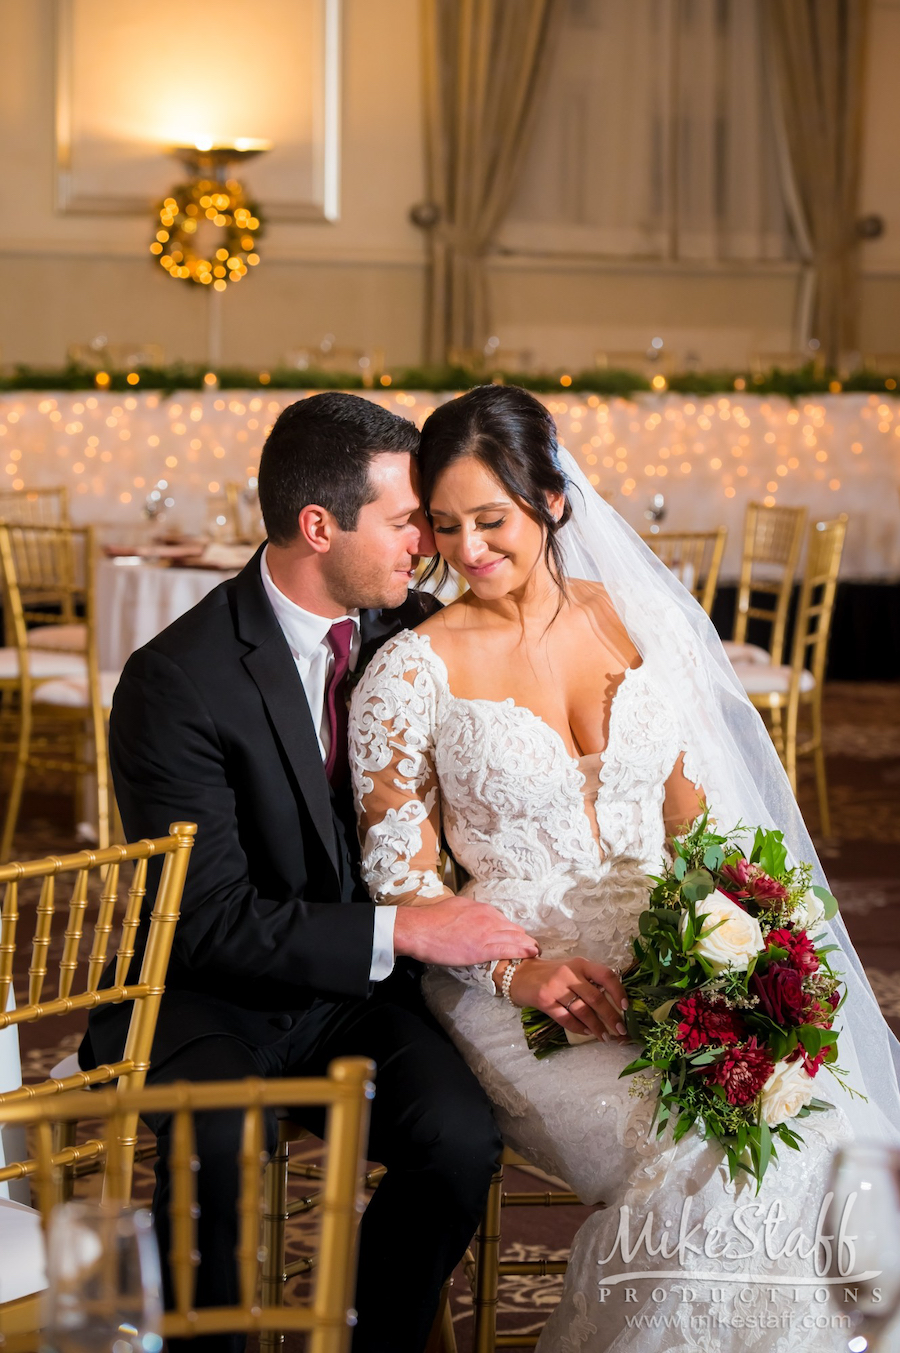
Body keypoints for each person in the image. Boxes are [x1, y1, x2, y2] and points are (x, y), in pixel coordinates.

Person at [349, 384, 900, 1352]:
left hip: (673, 976)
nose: (469, 551)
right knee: (710, 1160)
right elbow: (406, 892)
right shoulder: (410, 672)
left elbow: (697, 829)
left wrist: (738, 966)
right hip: (521, 999)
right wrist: (523, 974)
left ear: (552, 500)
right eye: (444, 528)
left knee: (821, 1135)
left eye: (492, 520)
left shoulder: (639, 621)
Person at [79, 392, 541, 1353]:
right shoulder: (176, 680)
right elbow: (205, 918)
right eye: (407, 518)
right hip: (215, 995)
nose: (428, 542)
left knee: (457, 1142)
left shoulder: (411, 630)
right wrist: (406, 928)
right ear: (319, 526)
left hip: (359, 999)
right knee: (217, 1152)